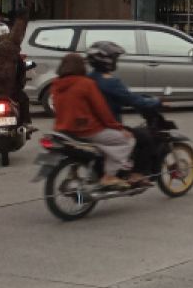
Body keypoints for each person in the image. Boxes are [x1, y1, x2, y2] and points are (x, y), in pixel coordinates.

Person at [51, 53, 135, 190]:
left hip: (64, 130)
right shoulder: (86, 84)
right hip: (86, 130)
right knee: (127, 140)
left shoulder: (56, 85)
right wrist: (118, 127)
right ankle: (109, 176)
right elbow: (102, 110)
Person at [86, 42, 162, 185]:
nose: (116, 61)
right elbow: (132, 99)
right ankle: (137, 174)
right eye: (115, 58)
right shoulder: (110, 82)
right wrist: (156, 102)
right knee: (145, 138)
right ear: (107, 60)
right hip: (108, 126)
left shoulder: (90, 78)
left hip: (93, 125)